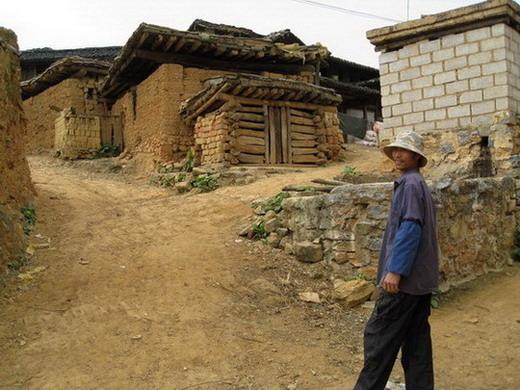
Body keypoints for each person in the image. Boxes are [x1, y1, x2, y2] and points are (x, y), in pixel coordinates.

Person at [354, 131, 440, 390]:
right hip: (420, 283)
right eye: (395, 150)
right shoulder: (416, 183)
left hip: (403, 283)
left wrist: (395, 271)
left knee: (378, 339)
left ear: (416, 156)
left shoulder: (411, 185)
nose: (397, 154)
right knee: (416, 343)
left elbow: (410, 228)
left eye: (403, 150)